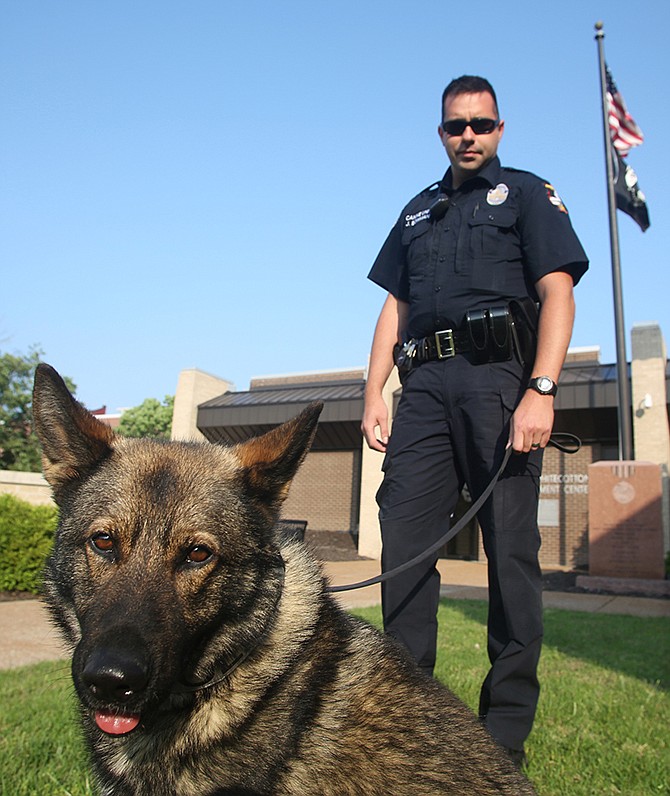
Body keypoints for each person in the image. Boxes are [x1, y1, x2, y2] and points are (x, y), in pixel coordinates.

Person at [361, 75, 588, 765]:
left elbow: (558, 293)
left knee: (512, 560)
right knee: (402, 551)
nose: (468, 136)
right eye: (456, 125)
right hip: (423, 388)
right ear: (440, 132)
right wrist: (372, 393)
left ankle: (502, 742)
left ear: (499, 127)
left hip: (499, 386)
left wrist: (541, 389)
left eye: (480, 124)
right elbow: (393, 310)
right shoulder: (416, 211)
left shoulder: (525, 195)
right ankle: (408, 727)